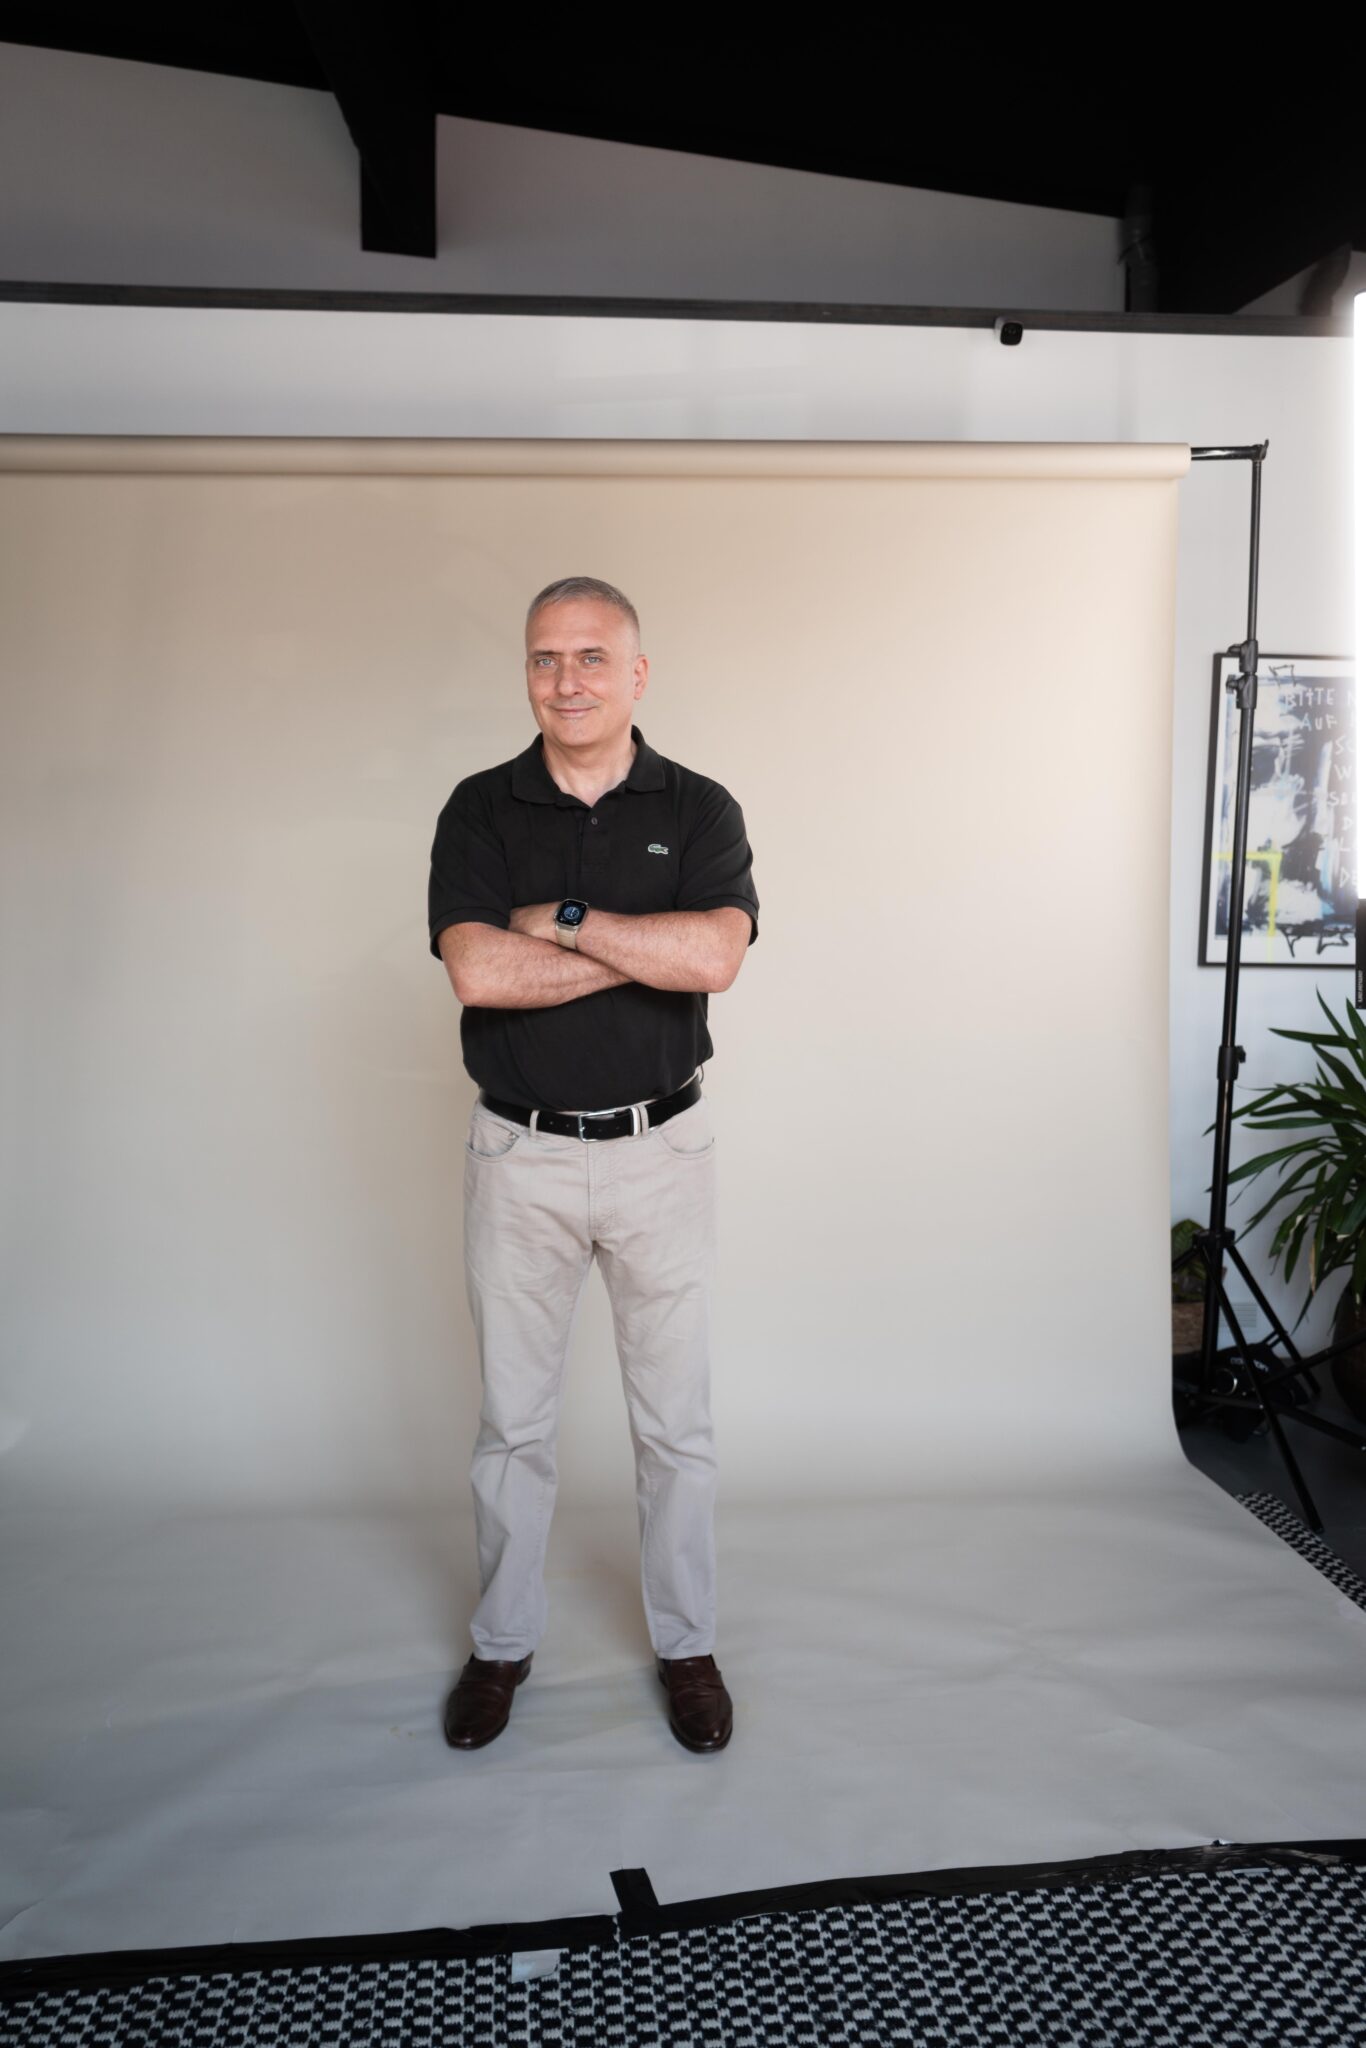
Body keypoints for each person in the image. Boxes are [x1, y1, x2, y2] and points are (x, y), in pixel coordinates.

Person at [428, 575, 759, 1754]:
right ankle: (502, 1643)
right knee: (512, 1427)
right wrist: (643, 948)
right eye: (543, 657)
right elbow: (477, 971)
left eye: (588, 656)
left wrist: (562, 920)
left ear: (637, 673)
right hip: (517, 1153)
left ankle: (687, 1644)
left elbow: (715, 958)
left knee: (675, 1428)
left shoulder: (700, 806)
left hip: (661, 1149)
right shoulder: (480, 806)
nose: (564, 679)